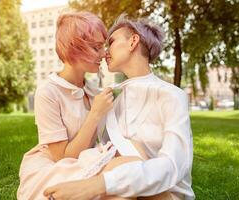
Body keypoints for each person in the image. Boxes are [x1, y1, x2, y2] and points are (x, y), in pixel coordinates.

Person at [44, 14, 195, 200]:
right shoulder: (108, 96)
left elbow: (174, 165)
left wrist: (98, 184)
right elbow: (101, 153)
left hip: (163, 194)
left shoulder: (172, 96)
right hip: (119, 188)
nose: (104, 52)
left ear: (133, 42)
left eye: (111, 42)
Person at [17, 12, 118, 200]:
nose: (104, 54)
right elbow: (62, 158)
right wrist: (95, 113)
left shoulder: (94, 90)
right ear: (75, 49)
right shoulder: (48, 92)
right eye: (96, 47)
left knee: (125, 184)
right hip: (55, 167)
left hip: (86, 159)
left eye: (103, 46)